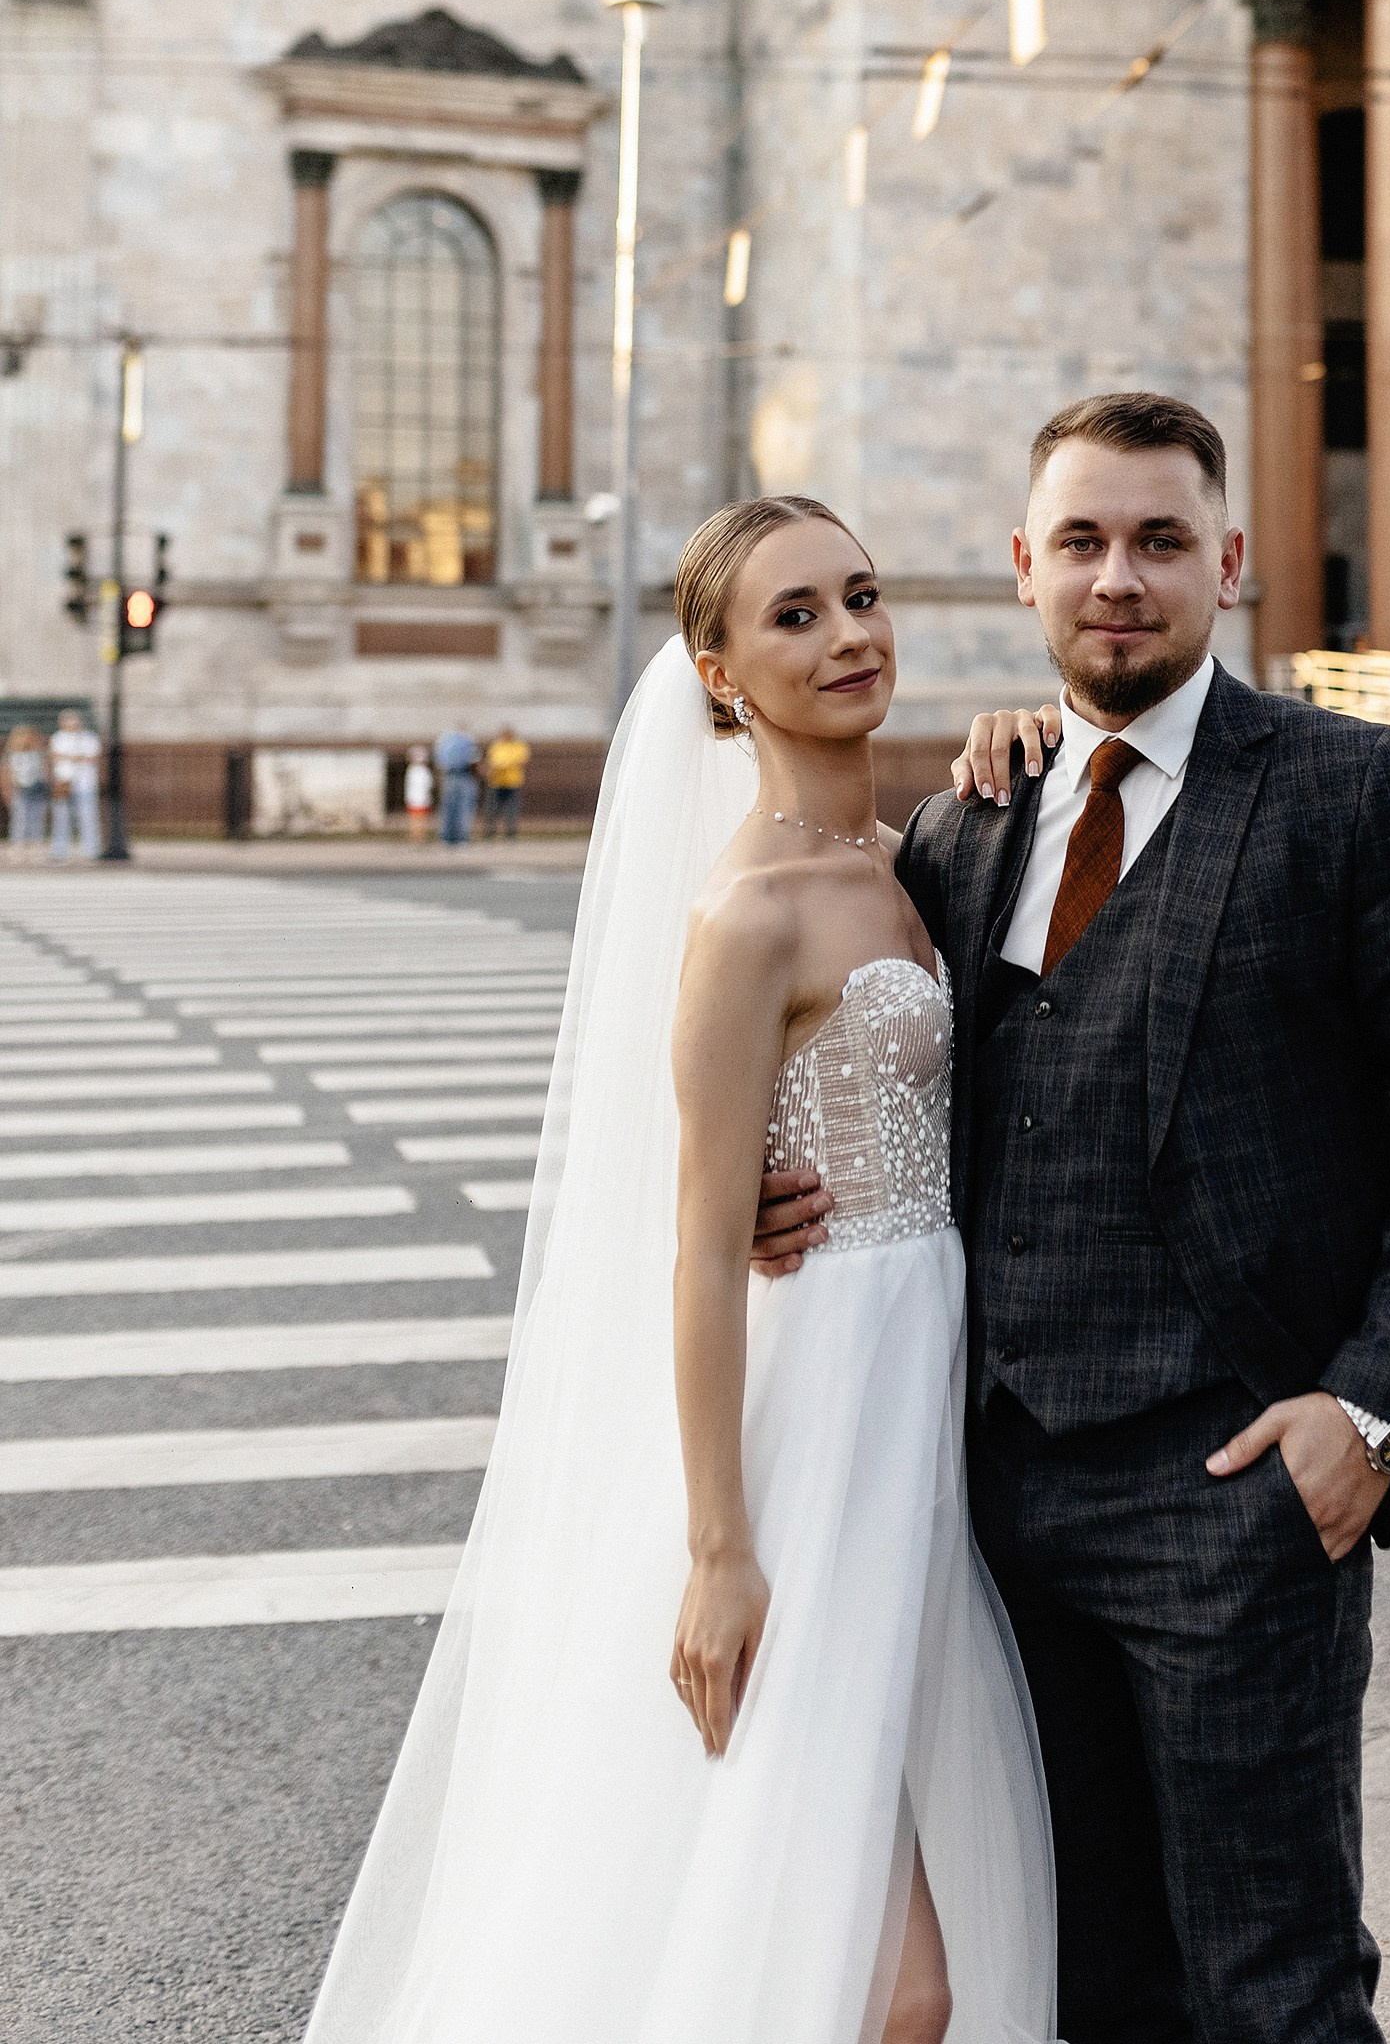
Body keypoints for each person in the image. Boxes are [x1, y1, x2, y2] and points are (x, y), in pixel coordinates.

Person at [755, 393, 1390, 2044]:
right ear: (1024, 568)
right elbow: (907, 1081)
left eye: (1163, 541)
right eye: (1087, 542)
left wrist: (1375, 1413)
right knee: (1087, 1981)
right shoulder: (973, 820)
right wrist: (779, 1192)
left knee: (1277, 1988)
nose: (1123, 576)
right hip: (996, 1504)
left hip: (1238, 1498)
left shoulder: (1353, 785)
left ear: (1229, 566)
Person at [303, 499, 1059, 2044]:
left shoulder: (912, 853)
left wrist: (1009, 730)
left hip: (925, 1400)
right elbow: (704, 1253)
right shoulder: (746, 912)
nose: (849, 634)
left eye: (860, 596)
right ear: (718, 674)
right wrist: (721, 1548)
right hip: (814, 1421)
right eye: (794, 617)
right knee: (897, 1981)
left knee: (873, 1894)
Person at [47, 709, 102, 862]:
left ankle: (91, 850)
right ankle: (59, 850)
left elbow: (93, 758)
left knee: (88, 817)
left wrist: (70, 757)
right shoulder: (58, 738)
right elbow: (55, 756)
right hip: (64, 782)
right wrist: (77, 757)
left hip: (85, 783)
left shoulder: (89, 737)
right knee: (61, 817)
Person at [482, 720, 530, 839]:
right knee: (492, 809)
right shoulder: (496, 746)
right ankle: (490, 831)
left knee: (511, 809)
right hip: (496, 781)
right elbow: (491, 760)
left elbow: (521, 759)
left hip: (512, 781)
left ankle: (511, 832)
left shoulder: (518, 745)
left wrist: (503, 764)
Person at [433, 723, 479, 846]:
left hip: (448, 776)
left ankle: (446, 838)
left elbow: (439, 761)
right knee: (464, 808)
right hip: (464, 775)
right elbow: (473, 759)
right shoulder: (467, 740)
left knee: (448, 808)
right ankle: (462, 838)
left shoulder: (444, 740)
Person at [4, 726, 49, 847]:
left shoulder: (38, 753)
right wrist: (9, 790)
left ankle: (36, 842)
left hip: (37, 787)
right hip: (20, 788)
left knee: (37, 817)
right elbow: (9, 774)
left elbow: (44, 771)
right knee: (20, 818)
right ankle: (18, 843)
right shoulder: (13, 754)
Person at [401, 743, 433, 843]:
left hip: (418, 798)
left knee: (418, 819)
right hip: (417, 798)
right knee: (416, 819)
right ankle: (416, 836)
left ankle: (418, 836)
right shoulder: (418, 770)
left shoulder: (416, 770)